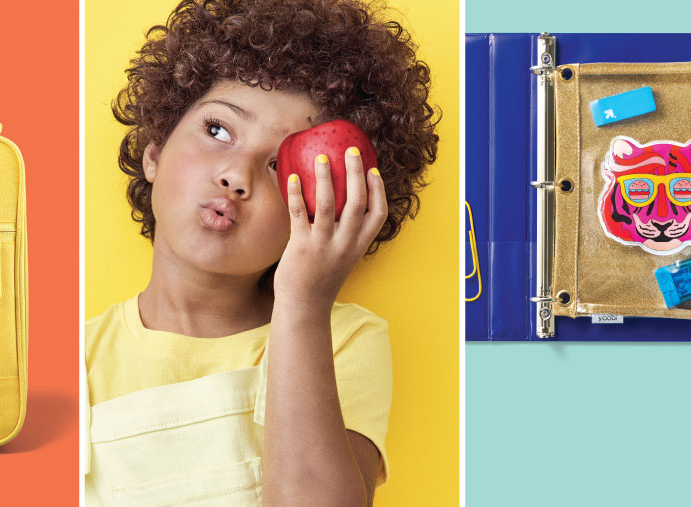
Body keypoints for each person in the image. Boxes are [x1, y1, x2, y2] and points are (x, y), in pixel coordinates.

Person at [85, 0, 438, 504]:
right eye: (217, 130)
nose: (236, 174)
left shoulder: (344, 338)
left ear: (325, 207)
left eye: (278, 165)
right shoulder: (73, 358)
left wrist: (303, 302)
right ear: (154, 154)